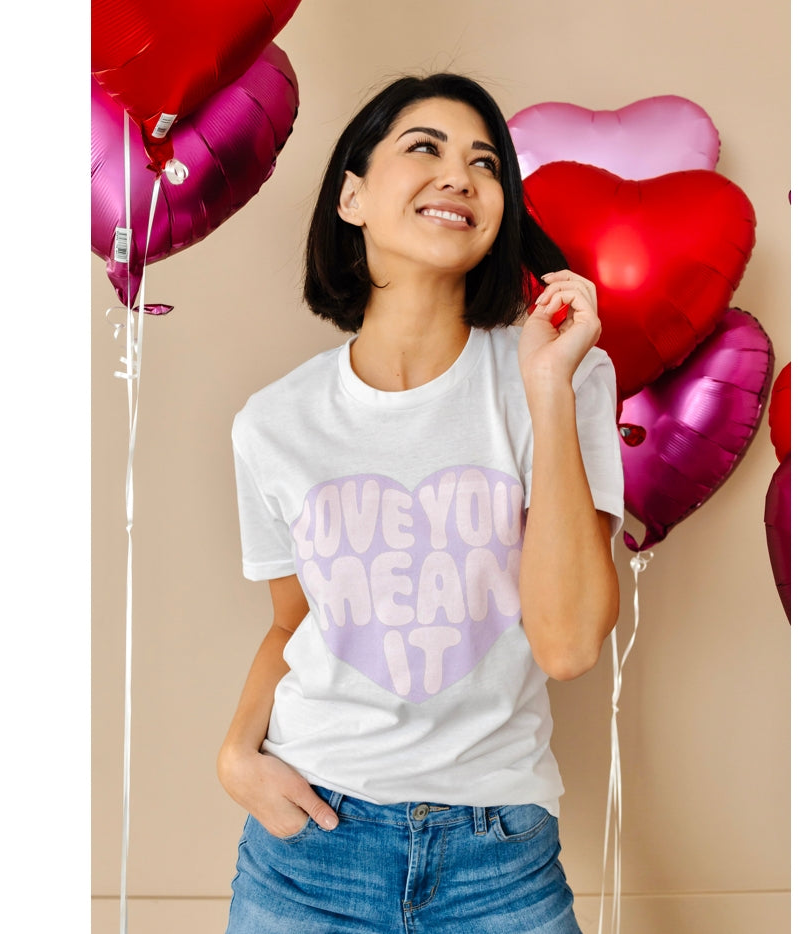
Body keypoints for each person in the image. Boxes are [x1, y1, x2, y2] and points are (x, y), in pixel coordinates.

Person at [218, 72, 624, 933]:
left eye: (485, 163)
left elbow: (567, 644)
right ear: (352, 197)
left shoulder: (566, 375)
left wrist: (547, 389)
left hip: (499, 856)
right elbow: (293, 624)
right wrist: (234, 753)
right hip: (308, 847)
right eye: (424, 148)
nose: (460, 176)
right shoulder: (273, 424)